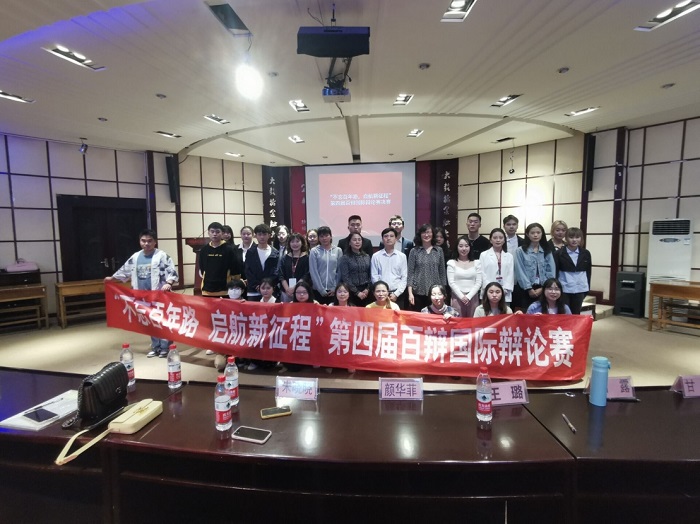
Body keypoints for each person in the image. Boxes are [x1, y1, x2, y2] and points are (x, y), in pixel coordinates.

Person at [105, 228, 178, 358]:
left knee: (162, 321)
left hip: (159, 295)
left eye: (150, 241)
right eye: (143, 241)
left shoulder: (162, 256)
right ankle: (155, 347)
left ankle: (165, 347)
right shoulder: (136, 256)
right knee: (150, 322)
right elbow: (125, 270)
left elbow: (171, 271)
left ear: (155, 242)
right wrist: (113, 278)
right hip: (142, 296)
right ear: (139, 241)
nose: (146, 244)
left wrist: (169, 283)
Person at [514, 222, 556, 310]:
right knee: (527, 313)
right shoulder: (520, 251)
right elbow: (520, 271)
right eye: (532, 233)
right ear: (527, 234)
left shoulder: (547, 250)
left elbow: (551, 270)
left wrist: (544, 287)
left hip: (543, 288)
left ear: (542, 234)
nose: (535, 235)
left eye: (538, 232)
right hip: (525, 289)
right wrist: (529, 288)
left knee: (543, 313)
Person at [407, 223, 446, 312]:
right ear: (420, 235)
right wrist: (410, 293)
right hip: (418, 292)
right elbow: (410, 273)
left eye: (428, 232)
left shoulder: (439, 250)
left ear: (433, 234)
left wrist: (443, 292)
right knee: (419, 317)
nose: (426, 235)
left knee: (434, 317)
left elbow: (442, 273)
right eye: (424, 232)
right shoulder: (414, 251)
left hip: (435, 293)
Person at [555, 227, 592, 314]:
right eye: (571, 237)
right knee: (564, 312)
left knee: (576, 313)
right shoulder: (559, 253)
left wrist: (587, 288)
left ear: (581, 238)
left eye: (577, 237)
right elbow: (555, 272)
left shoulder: (586, 253)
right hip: (564, 288)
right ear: (566, 238)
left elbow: (588, 272)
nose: (574, 240)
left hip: (580, 288)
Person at [199, 221, 240, 298]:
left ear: (222, 233)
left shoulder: (229, 249)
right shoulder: (204, 250)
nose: (214, 234)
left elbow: (235, 269)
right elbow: (202, 268)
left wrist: (235, 284)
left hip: (224, 290)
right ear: (208, 233)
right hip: (207, 289)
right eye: (212, 232)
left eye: (217, 232)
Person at [371, 227, 408, 310]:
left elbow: (404, 277)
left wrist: (396, 294)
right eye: (386, 236)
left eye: (391, 236)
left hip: (397, 295)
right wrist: (382, 293)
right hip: (381, 295)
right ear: (382, 239)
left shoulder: (402, 256)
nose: (388, 238)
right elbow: (374, 276)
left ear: (396, 239)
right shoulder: (376, 256)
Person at [447, 235, 481, 317]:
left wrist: (469, 296)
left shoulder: (477, 263)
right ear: (457, 247)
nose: (464, 249)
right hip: (457, 297)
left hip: (473, 297)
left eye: (466, 246)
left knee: (473, 322)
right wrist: (462, 296)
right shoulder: (451, 263)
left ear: (470, 247)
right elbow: (451, 282)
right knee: (458, 322)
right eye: (461, 246)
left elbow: (479, 282)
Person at [244, 223, 280, 302]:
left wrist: (267, 285)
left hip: (270, 290)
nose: (262, 237)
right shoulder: (250, 252)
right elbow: (248, 270)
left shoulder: (275, 252)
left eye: (264, 234)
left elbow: (276, 271)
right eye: (259, 234)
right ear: (255, 236)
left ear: (269, 235)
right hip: (253, 290)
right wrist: (257, 285)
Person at [479, 228, 514, 304]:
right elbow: (482, 273)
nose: (498, 240)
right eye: (495, 238)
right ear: (490, 240)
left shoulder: (509, 256)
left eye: (501, 238)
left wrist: (504, 290)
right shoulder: (483, 255)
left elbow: (510, 275)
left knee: (505, 311)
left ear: (504, 240)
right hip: (487, 292)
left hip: (504, 292)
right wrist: (490, 289)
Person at [309, 226, 342, 305]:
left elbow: (339, 271)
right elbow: (313, 271)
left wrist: (334, 287)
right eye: (321, 236)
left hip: (333, 291)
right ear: (318, 238)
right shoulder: (314, 251)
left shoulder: (338, 250)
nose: (324, 238)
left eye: (326, 235)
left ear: (331, 236)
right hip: (318, 291)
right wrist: (320, 289)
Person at [338, 232, 372, 307]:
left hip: (366, 291)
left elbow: (370, 274)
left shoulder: (367, 256)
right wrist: (357, 292)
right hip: (352, 292)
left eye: (359, 240)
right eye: (354, 240)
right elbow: (345, 277)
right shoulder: (345, 258)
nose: (357, 242)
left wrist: (367, 289)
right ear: (349, 243)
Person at [279, 232, 310, 303]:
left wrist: (295, 288)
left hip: (302, 292)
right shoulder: (284, 258)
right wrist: (287, 289)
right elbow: (281, 275)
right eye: (292, 242)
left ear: (302, 243)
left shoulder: (307, 258)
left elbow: (306, 275)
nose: (295, 244)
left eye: (297, 241)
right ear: (289, 243)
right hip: (286, 291)